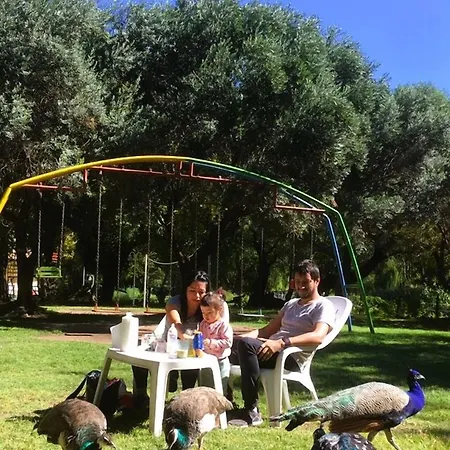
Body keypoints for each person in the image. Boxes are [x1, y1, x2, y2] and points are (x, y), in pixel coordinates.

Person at [229, 259, 335, 426]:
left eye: (305, 282)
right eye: (297, 282)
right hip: (270, 348)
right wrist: (239, 339)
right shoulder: (291, 304)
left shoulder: (323, 306)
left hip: (290, 356)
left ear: (317, 281)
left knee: (246, 346)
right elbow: (266, 331)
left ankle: (251, 411)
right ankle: (228, 405)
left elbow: (318, 336)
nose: (300, 286)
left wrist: (282, 343)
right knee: (227, 348)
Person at [132, 271, 230, 405]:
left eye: (201, 292)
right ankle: (141, 396)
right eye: (192, 291)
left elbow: (222, 328)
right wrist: (186, 336)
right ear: (185, 289)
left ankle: (185, 399)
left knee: (191, 364)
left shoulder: (214, 306)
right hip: (168, 341)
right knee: (139, 355)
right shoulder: (175, 302)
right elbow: (177, 324)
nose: (197, 296)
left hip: (196, 348)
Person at [198, 290, 233, 393]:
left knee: (219, 388)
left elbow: (228, 342)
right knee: (205, 388)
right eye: (203, 313)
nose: (206, 316)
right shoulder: (203, 324)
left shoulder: (223, 325)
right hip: (206, 360)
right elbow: (201, 338)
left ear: (220, 310)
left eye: (209, 313)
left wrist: (211, 342)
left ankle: (221, 401)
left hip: (220, 361)